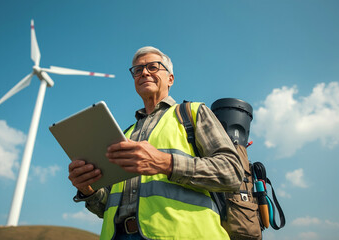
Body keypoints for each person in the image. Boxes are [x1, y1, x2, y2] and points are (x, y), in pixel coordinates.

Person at [68, 46, 244, 240]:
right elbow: (105, 208)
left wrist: (165, 163)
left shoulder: (192, 113)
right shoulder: (124, 135)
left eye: (153, 67)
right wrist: (88, 190)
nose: (144, 72)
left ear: (170, 79)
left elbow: (232, 172)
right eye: (137, 70)